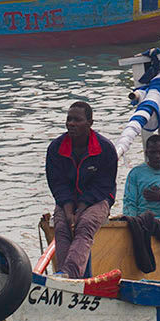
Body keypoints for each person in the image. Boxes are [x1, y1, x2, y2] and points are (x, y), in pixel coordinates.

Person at [46, 100, 118, 279]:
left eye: (77, 120)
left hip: (98, 199)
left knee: (84, 224)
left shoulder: (105, 148)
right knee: (62, 227)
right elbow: (57, 183)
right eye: (69, 119)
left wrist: (81, 209)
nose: (71, 123)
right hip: (67, 200)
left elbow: (103, 185)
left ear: (90, 123)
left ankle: (70, 274)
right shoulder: (56, 148)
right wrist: (69, 209)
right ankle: (62, 276)